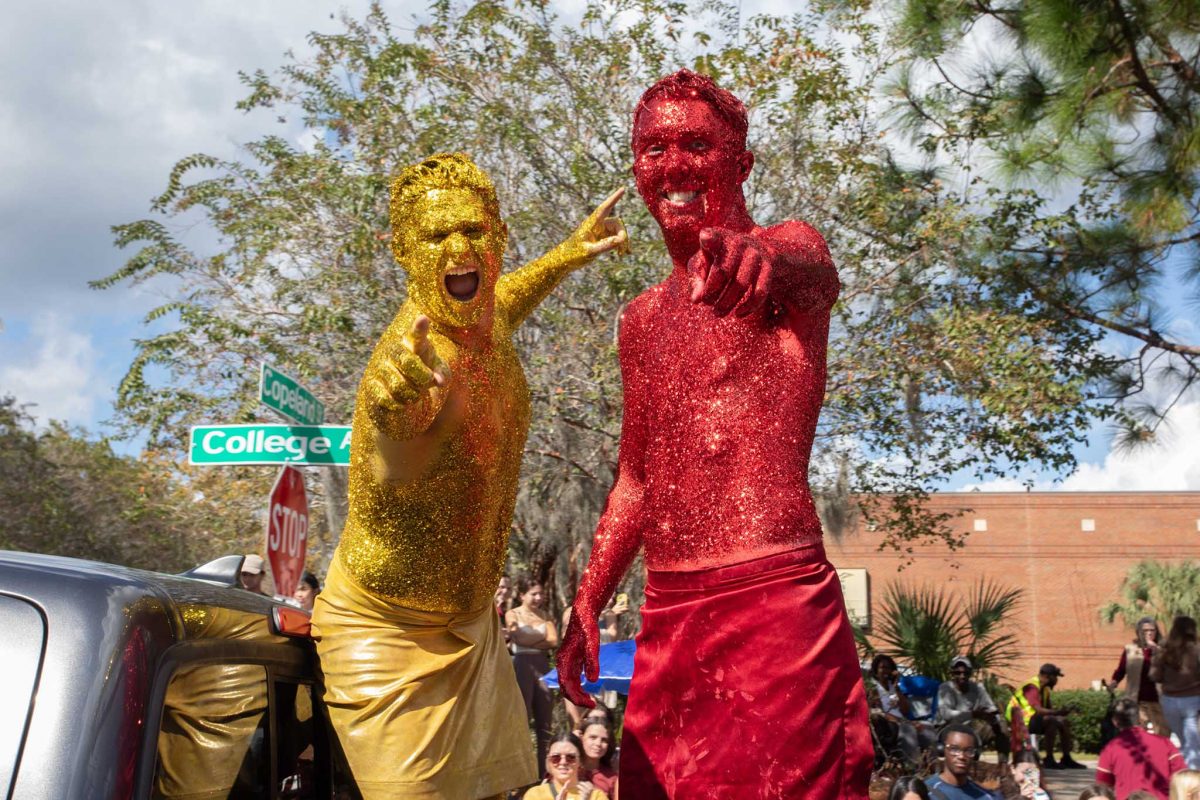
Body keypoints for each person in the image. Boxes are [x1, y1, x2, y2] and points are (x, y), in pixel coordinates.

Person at [556, 68, 872, 799]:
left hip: (773, 597)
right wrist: (588, 598)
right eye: (653, 147)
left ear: (741, 162)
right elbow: (635, 478)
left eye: (696, 145)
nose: (672, 165)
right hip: (669, 612)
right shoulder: (638, 320)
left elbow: (814, 269)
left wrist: (763, 257)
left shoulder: (785, 253)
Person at [310, 152, 627, 799]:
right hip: (386, 633)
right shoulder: (412, 359)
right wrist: (394, 396)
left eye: (475, 231)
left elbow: (513, 294)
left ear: (498, 237)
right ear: (405, 249)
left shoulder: (487, 316)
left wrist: (570, 253)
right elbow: (395, 415)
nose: (459, 248)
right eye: (436, 235)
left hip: (473, 629)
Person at [507, 577, 558, 768]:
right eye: (533, 594)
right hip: (522, 665)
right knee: (523, 716)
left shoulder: (545, 615)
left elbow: (554, 641)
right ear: (522, 595)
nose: (538, 597)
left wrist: (530, 640)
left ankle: (543, 769)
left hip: (543, 666)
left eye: (540, 594)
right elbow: (517, 638)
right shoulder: (513, 614)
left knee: (545, 719)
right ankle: (519, 768)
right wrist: (540, 638)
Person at [1094, 697, 1184, 800]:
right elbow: (1181, 775)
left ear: (1115, 722)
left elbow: (1103, 785)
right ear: (1139, 718)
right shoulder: (1165, 743)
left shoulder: (1110, 749)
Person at [1006, 663, 1085, 769]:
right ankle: (1049, 759)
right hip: (1019, 721)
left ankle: (1066, 758)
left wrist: (1062, 713)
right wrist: (1057, 712)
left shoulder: (1045, 689)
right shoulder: (1031, 686)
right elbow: (1038, 710)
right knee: (1051, 720)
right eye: (1055, 677)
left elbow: (1049, 710)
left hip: (1031, 720)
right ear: (1048, 676)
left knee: (1062, 721)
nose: (1056, 680)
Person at [937, 656, 1009, 763]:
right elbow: (946, 715)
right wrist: (973, 714)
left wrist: (993, 718)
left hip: (972, 728)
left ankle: (1003, 766)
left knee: (1000, 725)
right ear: (952, 673)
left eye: (965, 673)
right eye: (958, 673)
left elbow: (990, 708)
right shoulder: (945, 688)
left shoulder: (978, 688)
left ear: (970, 673)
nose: (962, 676)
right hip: (948, 729)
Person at [1150, 616, 1200, 769]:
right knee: (1191, 742)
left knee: (1186, 741)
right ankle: (1193, 777)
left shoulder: (1164, 649)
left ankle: (1187, 772)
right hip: (1193, 699)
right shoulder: (1197, 649)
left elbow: (1154, 676)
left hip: (1169, 700)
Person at [870, 654, 936, 765]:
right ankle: (913, 767)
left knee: (928, 730)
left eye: (888, 667)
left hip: (904, 721)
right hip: (891, 725)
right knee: (909, 730)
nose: (886, 670)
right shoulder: (874, 691)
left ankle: (934, 767)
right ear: (876, 671)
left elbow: (905, 710)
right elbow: (882, 714)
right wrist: (906, 722)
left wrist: (897, 687)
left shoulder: (895, 688)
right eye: (882, 667)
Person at [1112, 616, 1171, 737]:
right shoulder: (1131, 649)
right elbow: (1121, 669)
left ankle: (1160, 755)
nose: (1149, 633)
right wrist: (1114, 682)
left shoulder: (1163, 649)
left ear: (1156, 631)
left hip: (1159, 699)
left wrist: (1156, 649)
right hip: (1136, 699)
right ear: (1139, 632)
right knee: (1139, 733)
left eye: (1152, 630)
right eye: (1145, 631)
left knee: (1163, 733)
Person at [522, 733, 609, 800]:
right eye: (556, 757)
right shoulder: (535, 795)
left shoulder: (595, 796)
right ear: (548, 760)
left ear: (580, 761)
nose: (563, 762)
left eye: (570, 757)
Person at [924, 724, 1001, 799]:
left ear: (976, 755)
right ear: (941, 750)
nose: (961, 756)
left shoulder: (986, 796)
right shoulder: (924, 793)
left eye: (969, 751)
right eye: (954, 749)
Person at [577, 719, 618, 796]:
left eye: (604, 740)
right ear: (581, 738)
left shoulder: (612, 779)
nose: (598, 743)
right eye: (593, 737)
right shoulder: (566, 768)